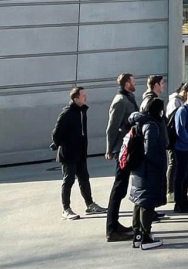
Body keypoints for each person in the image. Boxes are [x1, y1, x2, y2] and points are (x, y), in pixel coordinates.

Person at [50, 86, 105, 220]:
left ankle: (90, 205)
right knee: (68, 181)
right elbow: (56, 133)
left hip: (80, 153)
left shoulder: (82, 111)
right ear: (75, 99)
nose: (86, 97)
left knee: (84, 179)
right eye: (83, 96)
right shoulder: (67, 113)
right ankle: (66, 209)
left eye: (85, 95)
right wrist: (59, 144)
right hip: (69, 154)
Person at [128, 97, 168, 249]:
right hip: (149, 170)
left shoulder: (139, 122)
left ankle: (137, 236)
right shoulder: (151, 125)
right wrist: (159, 165)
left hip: (138, 168)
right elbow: (150, 150)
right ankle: (146, 237)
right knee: (147, 203)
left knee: (139, 201)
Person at [103, 73, 138, 240]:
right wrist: (110, 149)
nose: (135, 83)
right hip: (121, 149)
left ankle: (115, 224)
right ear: (126, 83)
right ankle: (111, 229)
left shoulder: (128, 98)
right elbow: (112, 127)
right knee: (118, 188)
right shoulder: (120, 101)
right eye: (132, 81)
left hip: (127, 146)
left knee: (121, 187)